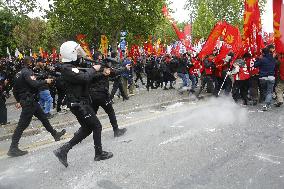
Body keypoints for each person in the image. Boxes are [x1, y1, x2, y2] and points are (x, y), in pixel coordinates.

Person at [53, 41, 113, 168]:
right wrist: (94, 69)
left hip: (81, 103)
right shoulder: (67, 68)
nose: (80, 55)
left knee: (87, 128)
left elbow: (87, 78)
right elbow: (85, 78)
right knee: (97, 126)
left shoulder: (72, 67)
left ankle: (63, 150)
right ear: (71, 54)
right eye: (76, 52)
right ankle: (99, 153)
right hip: (79, 104)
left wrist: (102, 72)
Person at [7, 56, 66, 157]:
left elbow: (15, 90)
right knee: (22, 125)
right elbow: (34, 84)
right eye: (32, 62)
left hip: (30, 101)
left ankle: (55, 134)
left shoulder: (18, 73)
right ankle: (13, 148)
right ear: (30, 63)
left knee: (43, 118)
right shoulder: (27, 72)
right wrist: (46, 81)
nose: (33, 63)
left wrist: (19, 101)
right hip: (29, 102)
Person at [89, 57, 129, 137]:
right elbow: (116, 72)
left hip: (93, 96)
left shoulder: (91, 70)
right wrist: (125, 68)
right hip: (102, 95)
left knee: (92, 115)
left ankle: (81, 131)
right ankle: (116, 130)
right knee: (111, 112)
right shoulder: (104, 69)